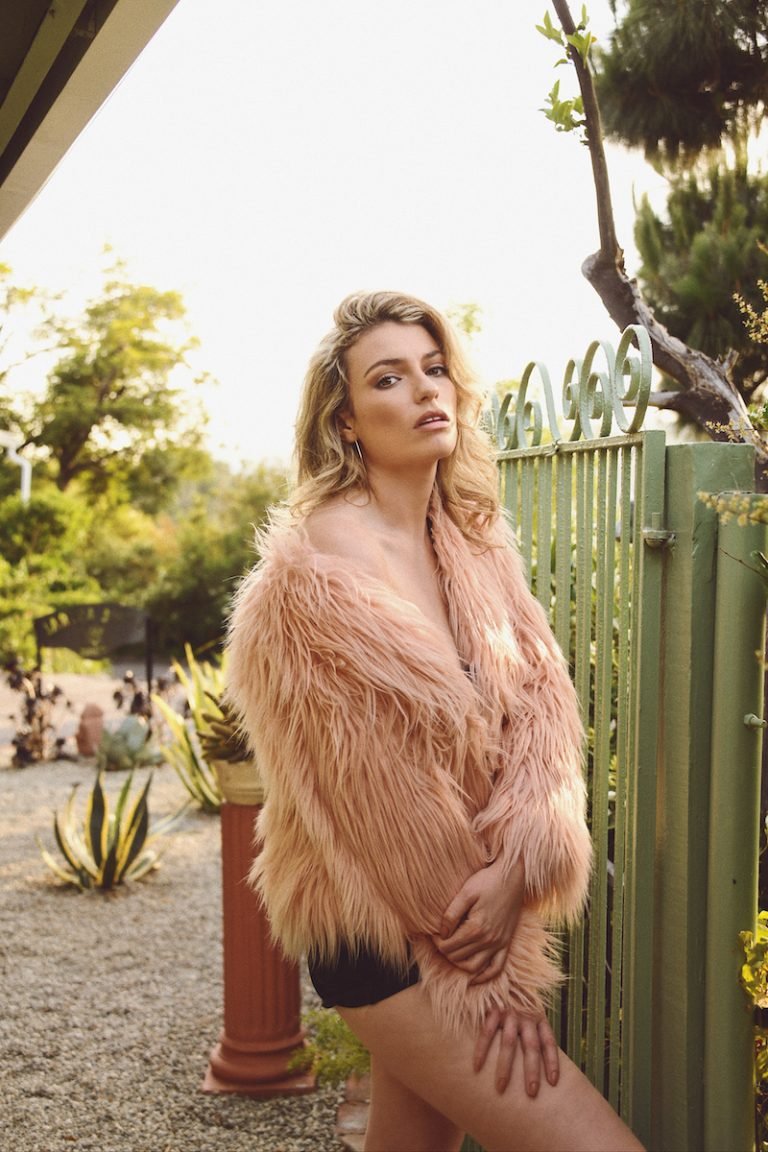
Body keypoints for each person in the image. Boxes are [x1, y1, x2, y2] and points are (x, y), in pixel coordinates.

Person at [226, 291, 644, 1152]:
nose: (425, 392)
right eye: (389, 378)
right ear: (346, 421)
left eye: (434, 369)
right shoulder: (313, 578)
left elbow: (543, 717)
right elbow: (374, 804)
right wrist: (492, 975)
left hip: (475, 914)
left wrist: (523, 860)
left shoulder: (475, 546)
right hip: (390, 933)